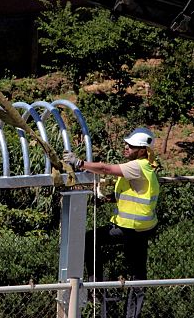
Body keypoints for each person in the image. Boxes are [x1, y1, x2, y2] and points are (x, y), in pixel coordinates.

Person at [63, 127, 159, 318]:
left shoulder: (137, 166)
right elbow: (134, 193)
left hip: (129, 227)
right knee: (137, 274)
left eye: (130, 146)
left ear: (141, 151)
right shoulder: (146, 166)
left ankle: (97, 288)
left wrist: (80, 163)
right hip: (144, 228)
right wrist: (108, 198)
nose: (126, 148)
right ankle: (132, 314)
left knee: (90, 240)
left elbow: (106, 168)